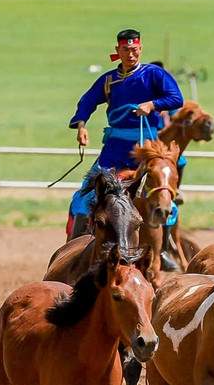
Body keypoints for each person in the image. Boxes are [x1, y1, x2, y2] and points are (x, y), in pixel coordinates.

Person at [67, 29, 184, 241]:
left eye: (134, 50)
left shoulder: (154, 75)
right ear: (117, 51)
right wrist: (82, 125)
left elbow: (176, 98)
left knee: (162, 193)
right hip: (114, 147)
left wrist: (152, 104)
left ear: (140, 49)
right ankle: (76, 242)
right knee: (86, 193)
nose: (131, 54)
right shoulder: (109, 80)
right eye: (126, 50)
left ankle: (165, 247)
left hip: (145, 147)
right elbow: (87, 101)